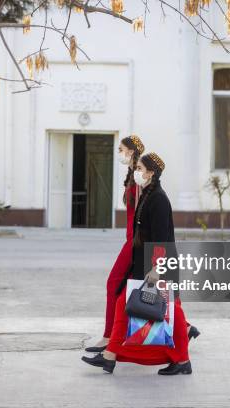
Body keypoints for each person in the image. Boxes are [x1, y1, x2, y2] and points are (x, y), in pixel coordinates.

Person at [82, 152, 193, 375]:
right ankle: (110, 355)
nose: (137, 172)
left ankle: (181, 360)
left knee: (174, 312)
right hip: (143, 263)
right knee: (125, 305)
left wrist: (156, 268)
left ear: (151, 173)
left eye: (140, 168)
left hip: (156, 265)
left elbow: (161, 238)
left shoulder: (159, 199)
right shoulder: (147, 195)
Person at [84, 134, 145, 353]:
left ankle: (109, 336)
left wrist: (138, 245)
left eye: (121, 149)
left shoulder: (138, 174)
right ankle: (184, 328)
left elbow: (141, 212)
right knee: (129, 289)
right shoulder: (132, 173)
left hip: (136, 241)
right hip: (132, 239)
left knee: (114, 283)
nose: (118, 152)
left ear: (130, 150)